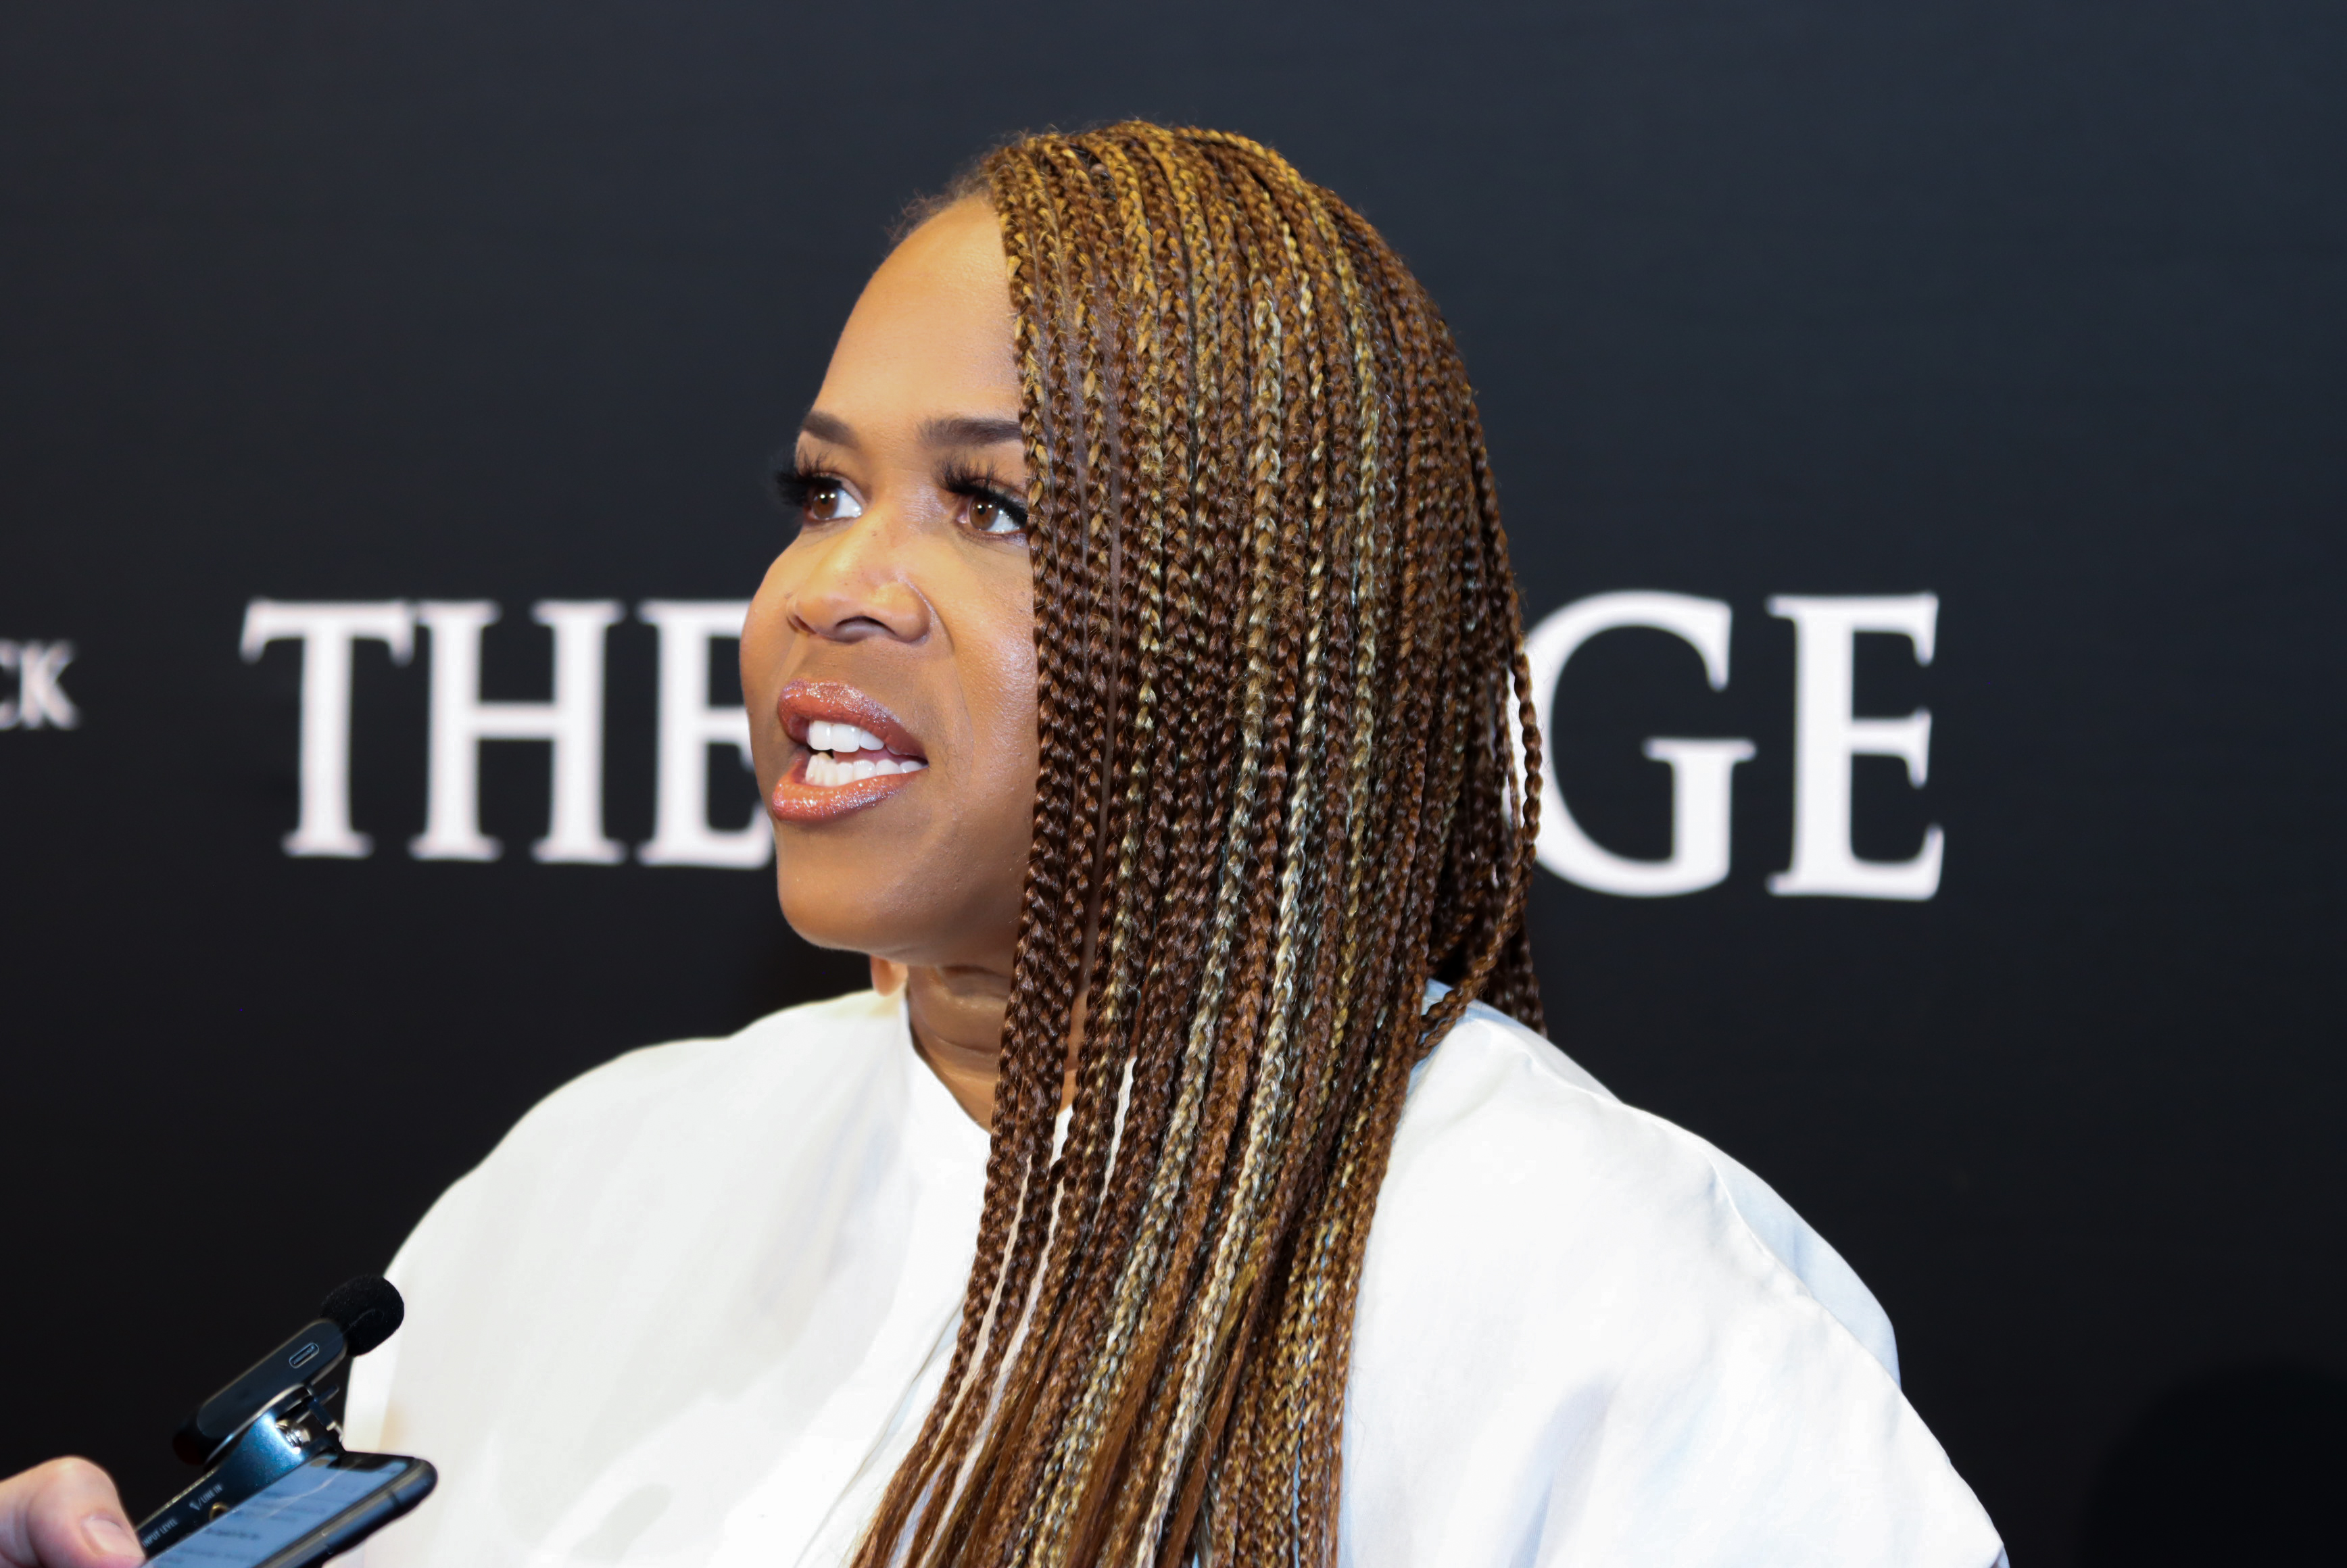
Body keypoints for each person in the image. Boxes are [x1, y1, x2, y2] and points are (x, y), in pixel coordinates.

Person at [0, 123, 2005, 1568]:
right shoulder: (601, 1173)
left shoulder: (1620, 1326)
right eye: (821, 490)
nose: (834, 589)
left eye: (1000, 508)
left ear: (1269, 616)